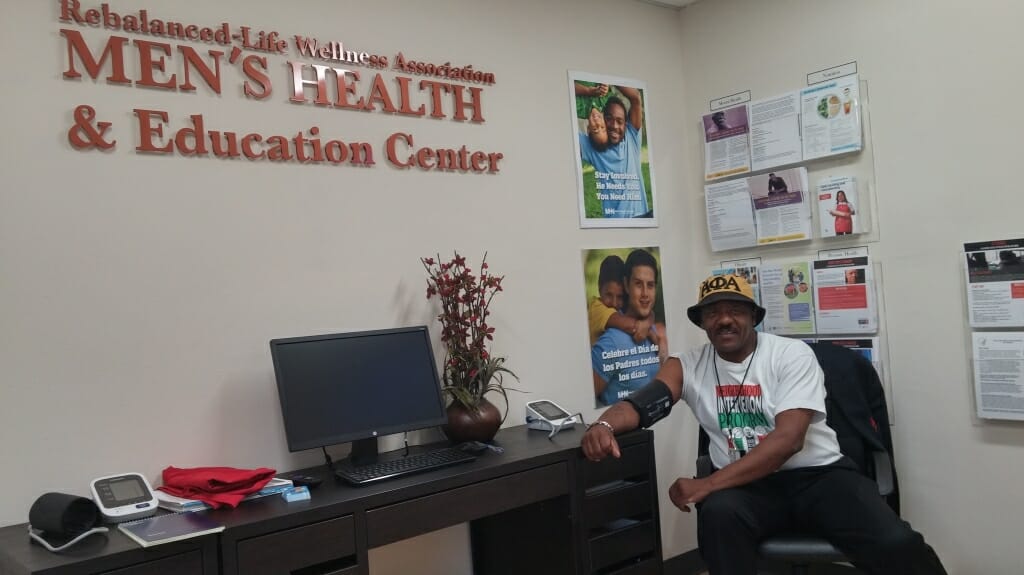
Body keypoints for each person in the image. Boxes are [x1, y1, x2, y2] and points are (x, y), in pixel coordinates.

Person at [582, 274, 948, 575]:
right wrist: (604, 426)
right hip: (748, 490)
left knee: (896, 544)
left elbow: (788, 440)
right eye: (713, 313)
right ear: (702, 322)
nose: (724, 319)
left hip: (820, 478)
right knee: (719, 518)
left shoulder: (791, 355)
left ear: (753, 317)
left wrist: (706, 484)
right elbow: (645, 403)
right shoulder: (688, 364)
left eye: (735, 310)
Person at [591, 249, 667, 406]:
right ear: (626, 285)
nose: (645, 293)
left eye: (650, 285)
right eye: (638, 284)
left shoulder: (652, 330)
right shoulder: (611, 341)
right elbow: (586, 400)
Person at [578, 86, 651, 218]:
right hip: (616, 225)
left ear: (626, 124)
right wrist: (588, 90)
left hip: (642, 218)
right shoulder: (591, 145)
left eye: (620, 121)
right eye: (609, 119)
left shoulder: (631, 137)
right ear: (603, 119)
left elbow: (635, 97)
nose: (614, 125)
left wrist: (610, 82)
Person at [588, 254, 658, 346]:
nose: (614, 303)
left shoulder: (621, 308)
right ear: (599, 288)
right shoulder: (596, 308)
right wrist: (650, 333)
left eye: (620, 297)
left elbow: (650, 313)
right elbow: (629, 325)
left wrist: (648, 321)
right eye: (609, 295)